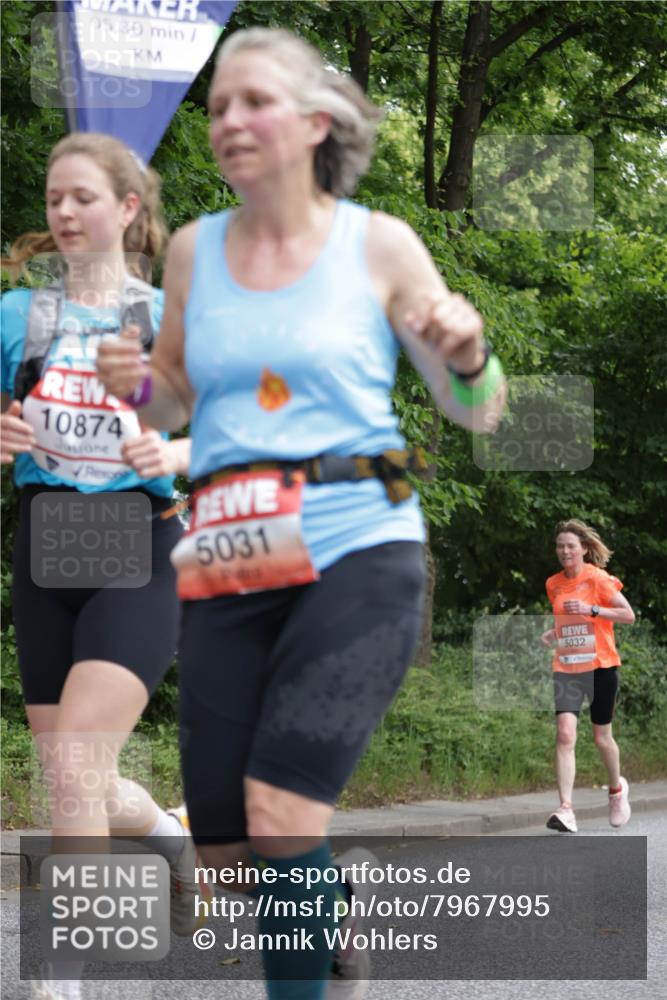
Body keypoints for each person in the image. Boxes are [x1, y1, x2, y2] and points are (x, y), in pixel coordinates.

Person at [97, 27, 506, 1000]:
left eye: (253, 102)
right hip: (231, 551)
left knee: (282, 815)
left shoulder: (379, 244)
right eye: (216, 107)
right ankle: (330, 913)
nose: (227, 120)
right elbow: (173, 402)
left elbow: (478, 408)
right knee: (237, 858)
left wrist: (465, 354)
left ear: (315, 122)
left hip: (357, 537)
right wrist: (135, 383)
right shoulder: (195, 248)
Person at [0, 132, 200, 1000]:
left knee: (76, 763)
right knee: (76, 778)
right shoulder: (16, 316)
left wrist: (178, 451)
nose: (65, 212)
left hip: (138, 543)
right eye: (54, 199)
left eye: (83, 196)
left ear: (126, 208)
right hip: (46, 545)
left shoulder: (171, 321)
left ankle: (64, 980)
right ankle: (170, 837)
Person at [541, 519, 635, 834]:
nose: (565, 551)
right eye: (560, 546)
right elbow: (570, 621)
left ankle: (616, 790)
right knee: (565, 734)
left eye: (570, 545)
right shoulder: (553, 583)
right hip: (567, 667)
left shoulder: (598, 579)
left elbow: (628, 615)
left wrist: (591, 608)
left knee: (601, 738)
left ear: (583, 548)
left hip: (601, 667)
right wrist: (554, 633)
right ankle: (566, 809)